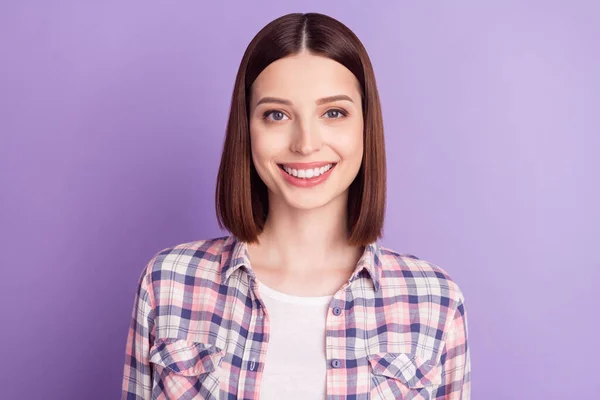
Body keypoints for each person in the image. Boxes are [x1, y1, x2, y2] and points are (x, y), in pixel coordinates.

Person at [121, 12, 470, 400]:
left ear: (365, 126)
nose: (305, 143)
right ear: (247, 129)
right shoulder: (169, 282)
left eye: (333, 113)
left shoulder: (434, 300)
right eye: (277, 114)